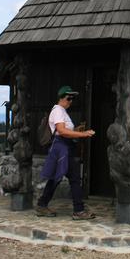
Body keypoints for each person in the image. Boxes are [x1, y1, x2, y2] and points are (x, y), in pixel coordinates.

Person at [36, 85, 96, 220]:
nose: (70, 101)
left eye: (72, 99)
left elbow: (66, 130)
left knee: (56, 178)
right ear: (61, 98)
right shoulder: (58, 110)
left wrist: (77, 130)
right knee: (74, 178)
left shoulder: (62, 111)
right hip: (61, 147)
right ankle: (78, 210)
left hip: (63, 147)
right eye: (69, 98)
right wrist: (83, 134)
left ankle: (42, 204)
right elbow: (62, 131)